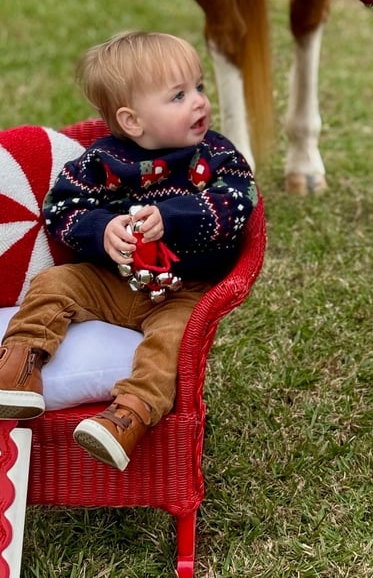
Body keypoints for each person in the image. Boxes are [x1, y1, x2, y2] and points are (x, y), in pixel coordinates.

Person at [0, 31, 258, 471]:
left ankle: (130, 413)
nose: (198, 102)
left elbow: (237, 204)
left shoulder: (215, 156)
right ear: (132, 120)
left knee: (173, 340)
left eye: (199, 87)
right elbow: (61, 209)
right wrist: (102, 231)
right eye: (178, 96)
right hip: (111, 282)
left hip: (182, 289)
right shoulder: (102, 160)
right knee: (52, 284)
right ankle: (19, 367)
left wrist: (173, 216)